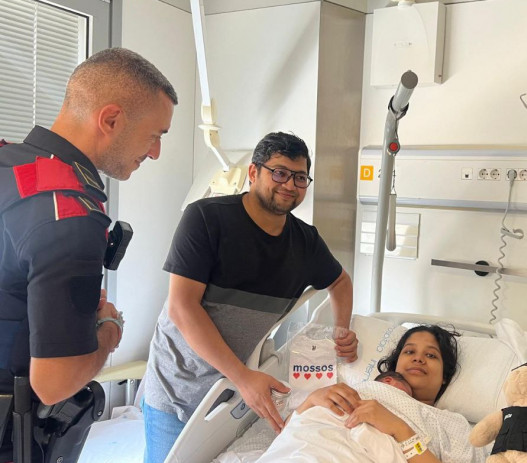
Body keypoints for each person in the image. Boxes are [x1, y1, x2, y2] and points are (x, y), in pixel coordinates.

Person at [141, 131, 359, 463]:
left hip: (234, 393)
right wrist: (243, 378)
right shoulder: (206, 219)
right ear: (253, 173)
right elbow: (182, 308)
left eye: (300, 177)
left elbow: (340, 282)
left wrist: (340, 331)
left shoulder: (305, 243)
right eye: (280, 172)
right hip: (178, 389)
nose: (290, 184)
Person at [0, 46, 176, 438]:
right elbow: (54, 383)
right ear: (111, 119)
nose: (155, 152)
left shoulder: (10, 165)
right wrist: (110, 331)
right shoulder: (70, 217)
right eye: (154, 136)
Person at [296, 325, 467, 462]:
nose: (418, 358)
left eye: (430, 355)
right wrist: (310, 401)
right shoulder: (360, 388)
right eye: (409, 351)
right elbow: (288, 434)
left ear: (444, 376)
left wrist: (400, 430)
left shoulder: (453, 424)